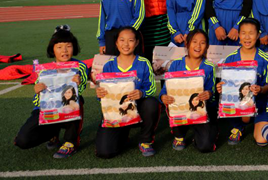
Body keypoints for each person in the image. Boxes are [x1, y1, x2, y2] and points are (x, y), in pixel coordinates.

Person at [14, 26, 88, 159]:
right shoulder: (44, 70)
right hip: (48, 110)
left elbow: (81, 90)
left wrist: (78, 83)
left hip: (67, 107)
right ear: (52, 49)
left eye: (68, 46)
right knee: (22, 141)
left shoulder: (80, 66)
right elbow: (38, 102)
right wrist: (38, 91)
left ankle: (71, 142)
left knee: (77, 101)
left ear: (74, 47)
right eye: (59, 47)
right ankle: (52, 133)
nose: (64, 50)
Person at [95, 27, 161, 158]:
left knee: (151, 103)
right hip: (116, 112)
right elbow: (103, 94)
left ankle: (145, 140)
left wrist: (141, 93)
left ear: (136, 43)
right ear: (116, 43)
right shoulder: (108, 65)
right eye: (122, 40)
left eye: (130, 40)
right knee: (104, 152)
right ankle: (123, 133)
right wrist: (100, 94)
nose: (126, 44)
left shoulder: (143, 63)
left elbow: (152, 87)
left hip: (138, 108)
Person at [216, 18, 268, 146]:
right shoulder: (230, 58)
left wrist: (261, 89)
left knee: (262, 140)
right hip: (237, 103)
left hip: (259, 104)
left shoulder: (266, 59)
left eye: (251, 33)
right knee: (226, 101)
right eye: (243, 33)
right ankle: (238, 126)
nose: (247, 37)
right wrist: (221, 88)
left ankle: (259, 121)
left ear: (258, 35)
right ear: (238, 34)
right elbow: (226, 86)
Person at [160, 29, 218, 152]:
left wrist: (209, 94)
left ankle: (205, 132)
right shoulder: (175, 65)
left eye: (202, 43)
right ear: (187, 44)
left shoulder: (209, 66)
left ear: (207, 46)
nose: (198, 46)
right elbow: (165, 90)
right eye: (194, 42)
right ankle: (179, 134)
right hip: (180, 109)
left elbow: (212, 96)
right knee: (171, 104)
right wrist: (163, 97)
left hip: (201, 111)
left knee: (205, 146)